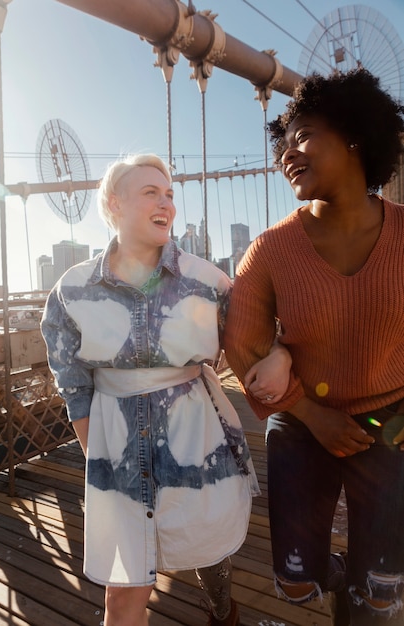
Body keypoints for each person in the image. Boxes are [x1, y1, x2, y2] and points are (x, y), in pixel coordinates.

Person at [40, 153, 289, 626]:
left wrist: (279, 354)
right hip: (116, 443)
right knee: (123, 593)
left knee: (208, 550)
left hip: (195, 437)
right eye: (151, 192)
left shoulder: (208, 280)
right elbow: (72, 380)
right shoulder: (70, 291)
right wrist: (99, 452)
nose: (167, 204)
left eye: (170, 194)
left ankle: (221, 608)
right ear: (114, 204)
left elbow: (259, 334)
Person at [223, 67, 404, 626]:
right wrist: (310, 413)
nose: (287, 154)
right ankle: (338, 571)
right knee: (296, 579)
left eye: (302, 135)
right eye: (283, 145)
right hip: (302, 421)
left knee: (379, 594)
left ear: (353, 134)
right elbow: (244, 345)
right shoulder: (271, 249)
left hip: (392, 421)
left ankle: (362, 588)